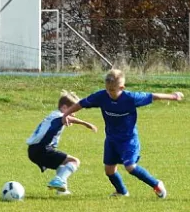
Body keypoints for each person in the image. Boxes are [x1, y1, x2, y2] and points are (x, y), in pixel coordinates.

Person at [61, 69, 183, 198]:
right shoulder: (101, 96)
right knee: (109, 170)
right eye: (107, 89)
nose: (109, 93)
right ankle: (121, 191)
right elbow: (82, 103)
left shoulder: (130, 98)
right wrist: (66, 114)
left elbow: (153, 96)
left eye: (112, 90)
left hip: (128, 139)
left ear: (122, 87)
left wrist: (174, 96)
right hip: (111, 139)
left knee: (130, 167)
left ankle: (156, 184)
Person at [26, 90, 98, 195]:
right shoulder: (59, 115)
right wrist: (86, 123)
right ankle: (58, 181)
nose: (73, 114)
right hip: (42, 149)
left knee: (62, 165)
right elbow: (66, 117)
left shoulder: (52, 115)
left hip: (33, 150)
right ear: (64, 108)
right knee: (74, 161)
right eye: (73, 110)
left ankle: (61, 190)